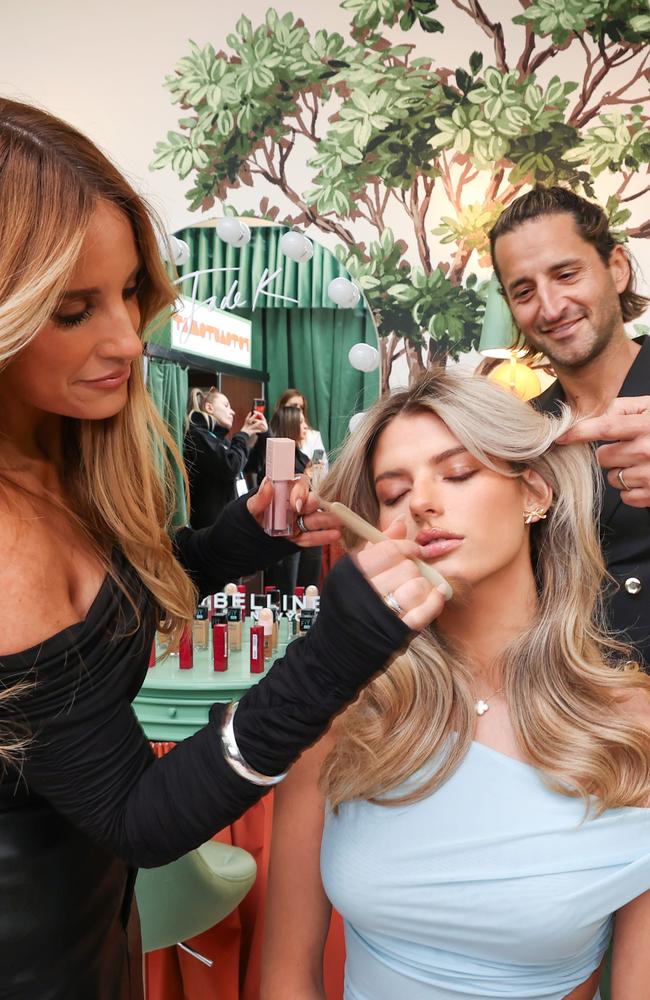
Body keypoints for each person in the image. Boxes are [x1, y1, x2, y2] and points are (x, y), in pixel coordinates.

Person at [0, 98, 444, 999]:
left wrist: (240, 537)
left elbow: (105, 614)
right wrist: (340, 647)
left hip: (93, 922)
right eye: (73, 309)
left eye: (129, 292)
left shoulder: (54, 456)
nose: (129, 339)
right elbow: (142, 818)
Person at [262, 371, 650, 1000]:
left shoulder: (630, 726)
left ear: (535, 491)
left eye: (459, 472)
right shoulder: (343, 714)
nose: (420, 504)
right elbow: (284, 977)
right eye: (393, 492)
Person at [489, 185, 650, 667]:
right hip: (573, 718)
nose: (551, 306)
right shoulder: (522, 435)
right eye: (524, 291)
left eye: (566, 274)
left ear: (617, 268)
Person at [184, 385, 267, 528]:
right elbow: (231, 466)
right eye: (226, 405)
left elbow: (252, 465)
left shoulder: (221, 440)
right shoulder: (197, 435)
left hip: (232, 522)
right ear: (209, 408)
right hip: (211, 527)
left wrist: (263, 434)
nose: (233, 412)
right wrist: (243, 434)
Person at [264, 405, 316, 594]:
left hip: (303, 527)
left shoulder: (301, 454)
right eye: (301, 421)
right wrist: (307, 475)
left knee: (305, 587)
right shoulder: (281, 455)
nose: (305, 426)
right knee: (287, 586)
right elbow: (286, 495)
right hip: (285, 531)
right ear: (290, 424)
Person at [273, 387, 329, 470]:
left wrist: (310, 471)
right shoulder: (272, 439)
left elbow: (318, 465)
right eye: (294, 406)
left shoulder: (314, 436)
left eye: (301, 407)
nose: (298, 409)